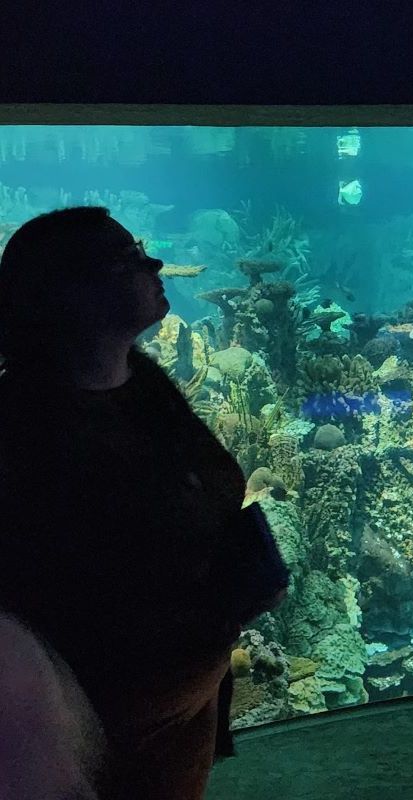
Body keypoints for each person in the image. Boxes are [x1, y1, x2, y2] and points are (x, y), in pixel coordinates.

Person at [0, 207, 288, 800]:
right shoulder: (24, 429)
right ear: (72, 291)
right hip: (99, 736)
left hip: (186, 707)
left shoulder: (144, 383)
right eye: (130, 257)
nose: (154, 264)